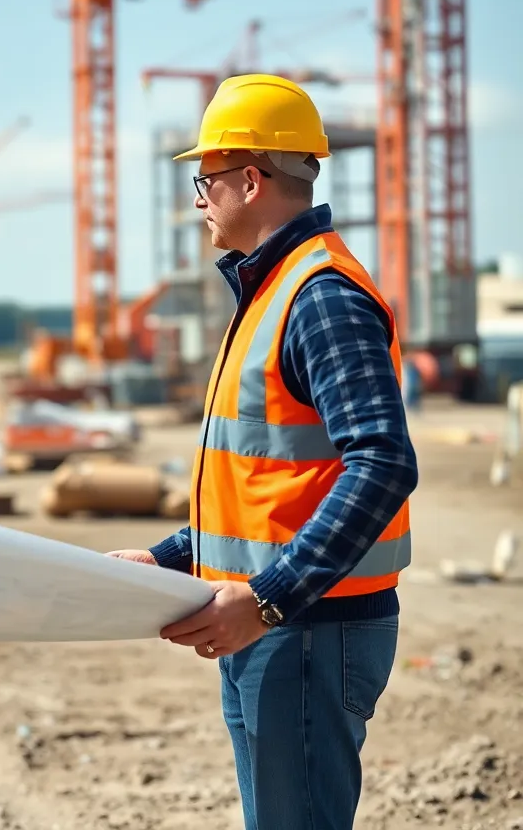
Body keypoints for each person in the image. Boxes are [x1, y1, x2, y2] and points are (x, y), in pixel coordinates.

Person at [110, 75, 417, 830]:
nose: (197, 198)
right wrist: (173, 558)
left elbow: (382, 463)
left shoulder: (320, 296)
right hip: (276, 620)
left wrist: (270, 596)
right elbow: (268, 481)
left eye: (205, 178)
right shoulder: (273, 289)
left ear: (251, 180)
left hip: (305, 628)